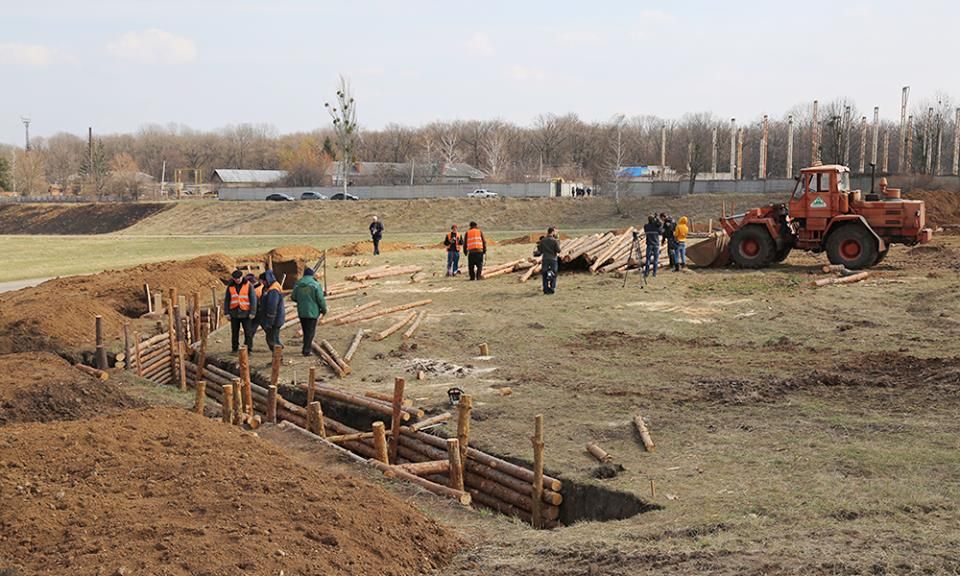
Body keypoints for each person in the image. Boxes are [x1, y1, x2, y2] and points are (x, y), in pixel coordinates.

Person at [291, 267, 327, 356]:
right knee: (310, 331)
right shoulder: (315, 284)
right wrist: (324, 309)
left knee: (305, 329)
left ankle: (306, 346)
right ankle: (306, 350)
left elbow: (293, 297)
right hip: (313, 311)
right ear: (312, 275)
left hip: (302, 311)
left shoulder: (298, 284)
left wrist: (301, 300)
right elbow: (320, 299)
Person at [223, 269, 258, 353]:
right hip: (234, 313)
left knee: (248, 333)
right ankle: (234, 348)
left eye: (239, 278)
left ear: (242, 277)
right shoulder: (230, 286)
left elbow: (253, 299)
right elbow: (227, 300)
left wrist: (252, 312)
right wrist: (227, 312)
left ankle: (248, 349)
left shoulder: (248, 285)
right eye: (236, 279)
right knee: (235, 332)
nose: (237, 280)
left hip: (246, 313)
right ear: (233, 278)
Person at [259, 270, 285, 350]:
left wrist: (269, 322)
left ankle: (277, 359)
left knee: (272, 340)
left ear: (267, 280)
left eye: (263, 281)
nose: (262, 283)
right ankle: (278, 355)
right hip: (273, 319)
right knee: (274, 338)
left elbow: (272, 307)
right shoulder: (268, 288)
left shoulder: (273, 290)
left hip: (274, 319)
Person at [534, 227, 562, 294]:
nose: (556, 233)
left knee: (544, 274)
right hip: (553, 259)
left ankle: (545, 289)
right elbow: (558, 251)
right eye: (555, 232)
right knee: (553, 274)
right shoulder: (555, 241)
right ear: (552, 232)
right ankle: (552, 288)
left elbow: (540, 250)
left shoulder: (543, 240)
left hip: (545, 259)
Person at [643, 214, 662, 278]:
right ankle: (654, 273)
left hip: (649, 244)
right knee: (655, 259)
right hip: (656, 244)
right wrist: (657, 219)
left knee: (648, 259)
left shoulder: (646, 226)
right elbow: (660, 230)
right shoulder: (656, 226)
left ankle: (646, 273)